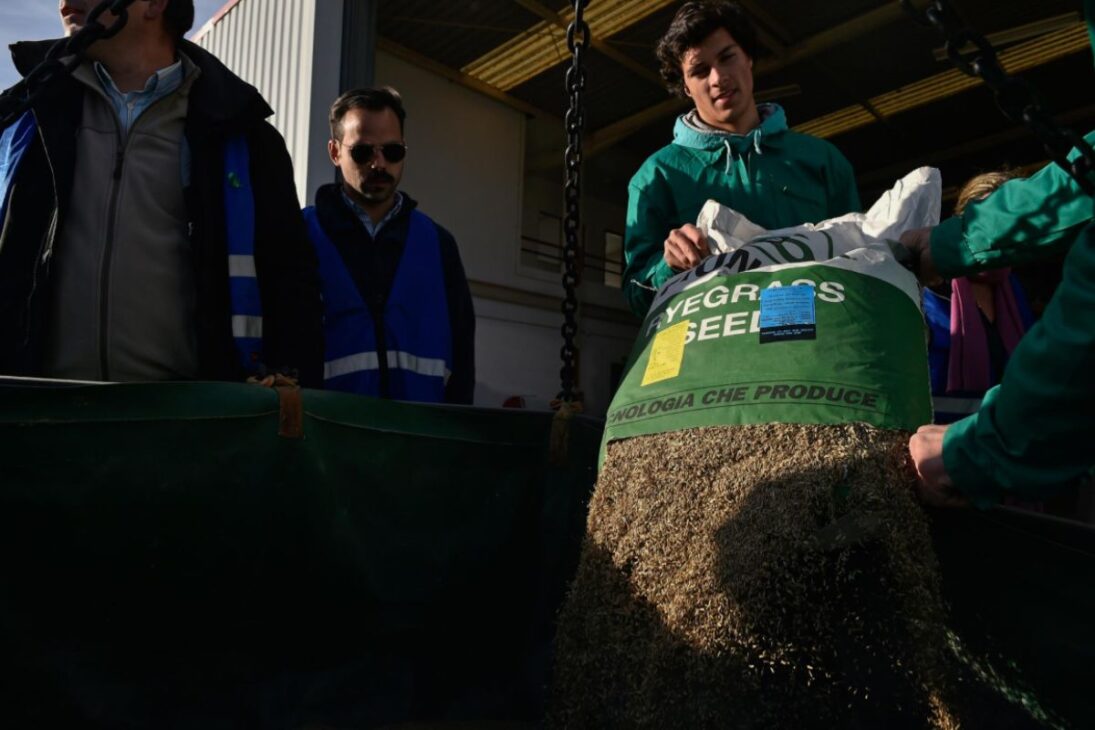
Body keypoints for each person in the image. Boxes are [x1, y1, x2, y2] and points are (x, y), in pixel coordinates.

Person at [0, 0, 323, 386]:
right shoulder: (28, 115)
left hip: (185, 428)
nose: (65, 1)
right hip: (39, 418)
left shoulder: (243, 137)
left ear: (155, 4)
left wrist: (286, 375)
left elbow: (289, 276)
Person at [903, 0, 1095, 509]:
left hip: (1002, 468)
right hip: (946, 473)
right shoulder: (926, 304)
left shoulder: (1023, 303)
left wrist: (983, 446)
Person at [622, 0, 861, 317]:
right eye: (699, 70)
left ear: (748, 57)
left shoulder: (822, 161)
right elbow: (636, 296)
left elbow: (862, 257)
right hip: (711, 356)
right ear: (685, 87)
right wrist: (667, 266)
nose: (718, 77)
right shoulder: (656, 177)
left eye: (727, 57)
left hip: (812, 351)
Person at [303, 87, 475, 404]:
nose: (379, 164)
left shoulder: (438, 245)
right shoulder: (300, 237)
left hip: (419, 439)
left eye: (392, 152)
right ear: (334, 152)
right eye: (363, 152)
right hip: (327, 438)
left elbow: (462, 356)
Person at [922, 171, 1035, 424]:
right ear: (959, 222)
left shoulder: (1014, 289)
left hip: (999, 440)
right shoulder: (929, 289)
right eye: (987, 222)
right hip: (935, 443)